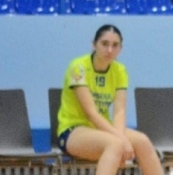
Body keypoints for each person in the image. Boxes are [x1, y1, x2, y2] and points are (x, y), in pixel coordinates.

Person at [56, 25, 163, 175]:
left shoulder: (120, 70)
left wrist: (121, 138)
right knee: (115, 144)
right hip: (73, 131)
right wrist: (121, 140)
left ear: (120, 48)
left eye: (115, 45)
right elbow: (91, 114)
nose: (110, 50)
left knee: (142, 141)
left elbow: (119, 111)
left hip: (102, 130)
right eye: (104, 44)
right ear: (94, 44)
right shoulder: (78, 67)